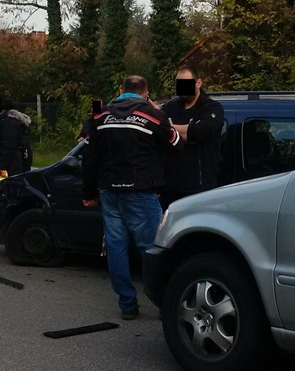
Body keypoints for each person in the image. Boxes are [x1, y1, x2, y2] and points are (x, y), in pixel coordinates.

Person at [82, 75, 181, 319]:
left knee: (116, 248)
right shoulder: (152, 115)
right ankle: (162, 304)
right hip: (141, 192)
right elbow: (176, 145)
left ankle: (127, 304)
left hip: (109, 192)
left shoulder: (100, 116)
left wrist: (89, 191)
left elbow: (89, 157)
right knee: (151, 250)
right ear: (145, 93)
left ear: (122, 90)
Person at [159, 65, 225, 209]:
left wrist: (170, 129)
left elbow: (197, 132)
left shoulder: (212, 108)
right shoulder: (170, 107)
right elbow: (157, 131)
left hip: (199, 189)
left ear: (198, 83)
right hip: (169, 188)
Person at [0, 94, 33, 177]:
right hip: (12, 164)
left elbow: (8, 146)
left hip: (10, 167)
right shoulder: (6, 120)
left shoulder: (8, 122)